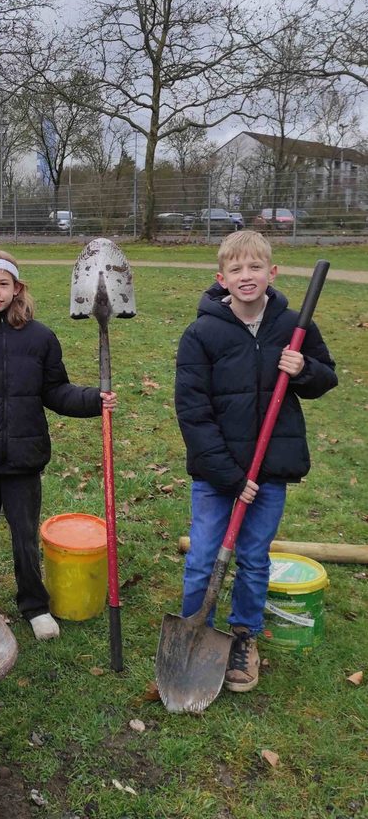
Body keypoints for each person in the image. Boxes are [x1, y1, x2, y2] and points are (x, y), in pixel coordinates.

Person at [175, 230, 337, 691]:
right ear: (221, 278)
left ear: (272, 273)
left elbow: (326, 377)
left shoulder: (293, 326)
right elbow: (192, 411)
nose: (247, 276)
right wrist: (228, 476)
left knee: (252, 557)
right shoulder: (201, 334)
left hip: (270, 469)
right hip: (216, 474)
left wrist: (303, 370)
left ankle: (244, 634)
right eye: (237, 269)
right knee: (204, 557)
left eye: (255, 267)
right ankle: (195, 631)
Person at [0, 250, 117, 641]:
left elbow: (56, 391)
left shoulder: (40, 338)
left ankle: (34, 604)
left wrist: (93, 400)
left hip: (24, 460)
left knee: (25, 535)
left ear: (17, 289)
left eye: (3, 284)